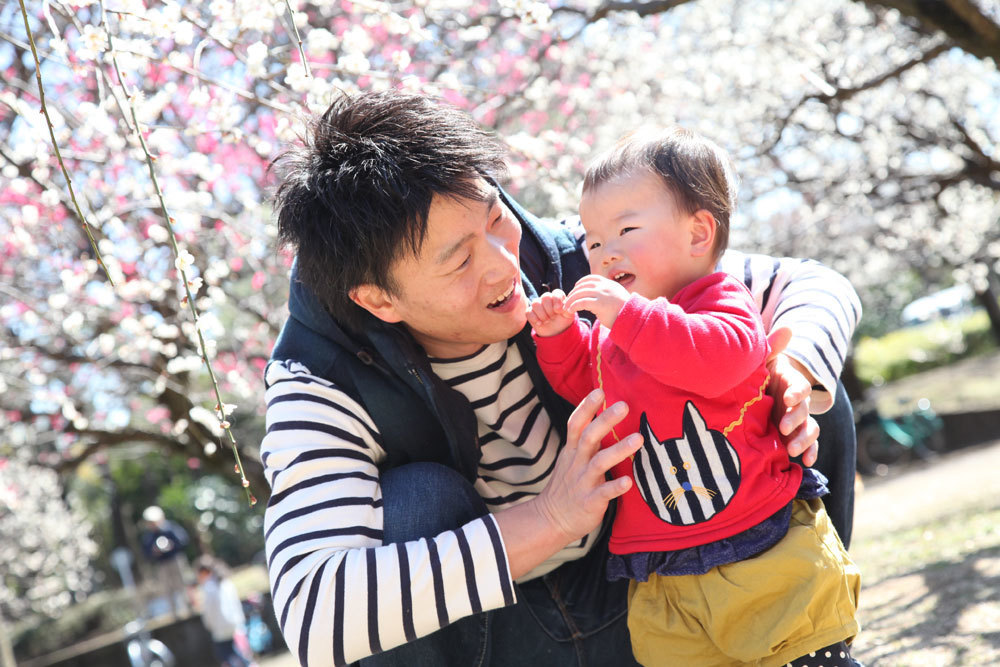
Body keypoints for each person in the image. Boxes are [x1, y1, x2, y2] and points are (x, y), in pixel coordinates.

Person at [262, 90, 862, 666]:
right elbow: (315, 613)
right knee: (414, 502)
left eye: (496, 221)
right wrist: (549, 518)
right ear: (379, 299)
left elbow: (812, 286)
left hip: (646, 585)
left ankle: (803, 649)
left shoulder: (584, 262)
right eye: (460, 259)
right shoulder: (319, 378)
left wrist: (793, 367)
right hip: (494, 637)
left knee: (789, 383)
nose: (504, 266)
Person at [527, 126, 860, 666]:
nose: (605, 254)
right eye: (591, 242)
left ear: (699, 234)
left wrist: (626, 314)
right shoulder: (618, 334)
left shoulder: (717, 300)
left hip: (763, 547)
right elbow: (586, 385)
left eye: (625, 230)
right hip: (662, 566)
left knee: (800, 652)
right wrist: (559, 337)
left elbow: (722, 357)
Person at [195, 555, 255, 667]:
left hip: (220, 628)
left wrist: (209, 626)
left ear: (204, 572)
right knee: (240, 653)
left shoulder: (209, 587)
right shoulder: (226, 582)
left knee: (228, 656)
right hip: (235, 624)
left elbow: (209, 612)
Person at [139, 505, 191, 618]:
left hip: (175, 560)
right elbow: (146, 553)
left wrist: (172, 545)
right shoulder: (149, 536)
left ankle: (188, 608)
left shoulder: (170, 528)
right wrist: (154, 552)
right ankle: (174, 614)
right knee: (167, 589)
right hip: (162, 564)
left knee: (182, 583)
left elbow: (183, 540)